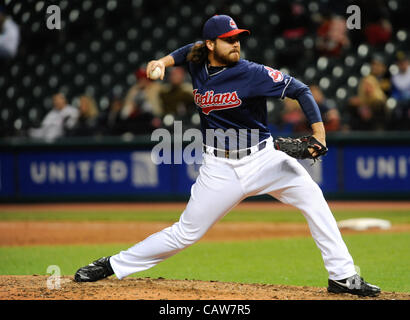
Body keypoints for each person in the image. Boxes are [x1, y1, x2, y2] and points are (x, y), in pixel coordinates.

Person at [74, 15, 380, 297]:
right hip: (219, 167)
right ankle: (112, 265)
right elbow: (186, 51)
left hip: (264, 159)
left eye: (238, 38)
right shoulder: (197, 60)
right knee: (185, 233)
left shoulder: (252, 73)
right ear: (210, 45)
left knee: (314, 199)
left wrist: (319, 133)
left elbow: (301, 90)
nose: (235, 43)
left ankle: (342, 276)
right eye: (228, 38)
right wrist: (163, 61)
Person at [390, 52, 410, 130]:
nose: (402, 64)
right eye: (400, 63)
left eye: (404, 62)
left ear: (408, 62)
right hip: (400, 106)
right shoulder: (394, 77)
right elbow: (394, 94)